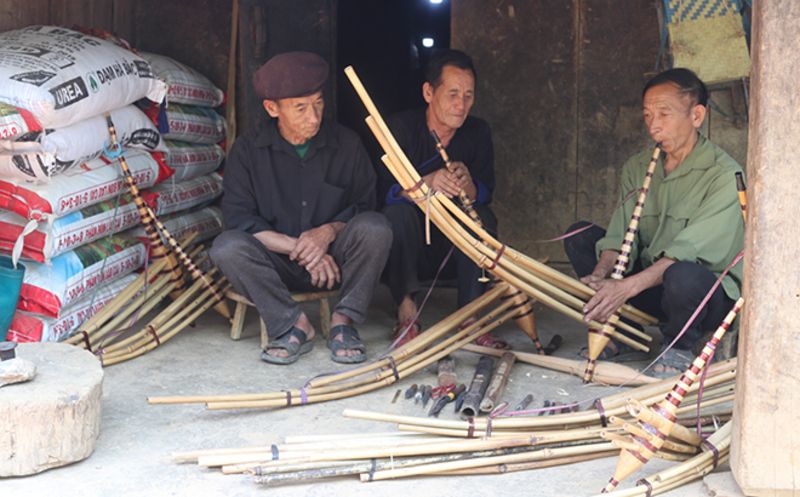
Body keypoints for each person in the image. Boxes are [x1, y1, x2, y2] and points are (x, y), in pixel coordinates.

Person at [211, 51, 392, 365]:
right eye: (300, 107)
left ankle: (344, 321)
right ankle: (294, 323)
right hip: (275, 265)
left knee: (376, 228)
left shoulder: (347, 144)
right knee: (226, 248)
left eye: (318, 103)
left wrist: (325, 234)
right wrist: (303, 248)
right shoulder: (248, 151)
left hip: (334, 262)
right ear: (272, 108)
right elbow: (239, 219)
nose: (314, 116)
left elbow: (365, 204)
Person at [564, 68, 744, 376]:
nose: (654, 125)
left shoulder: (724, 175)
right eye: (648, 115)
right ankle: (622, 328)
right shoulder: (638, 166)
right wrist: (602, 276)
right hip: (652, 288)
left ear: (696, 116)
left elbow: (685, 253)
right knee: (580, 235)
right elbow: (620, 236)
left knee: (683, 275)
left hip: (701, 299)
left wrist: (624, 287)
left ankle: (679, 346)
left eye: (664, 114)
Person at [379, 49, 505, 348]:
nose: (461, 105)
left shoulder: (477, 131)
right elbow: (383, 192)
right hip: (412, 249)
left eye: (468, 96)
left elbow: (487, 190)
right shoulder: (401, 128)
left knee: (484, 218)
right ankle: (407, 310)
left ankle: (470, 316)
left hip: (454, 248)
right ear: (428, 92)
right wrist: (427, 184)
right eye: (452, 94)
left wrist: (470, 186)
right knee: (395, 215)